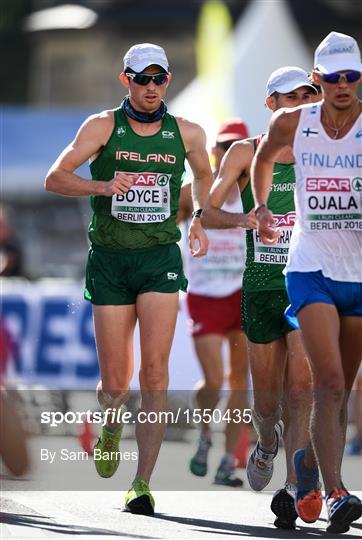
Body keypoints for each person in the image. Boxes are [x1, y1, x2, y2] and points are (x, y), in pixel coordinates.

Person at [45, 42, 213, 515]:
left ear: (168, 81)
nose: (152, 87)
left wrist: (198, 215)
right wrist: (102, 185)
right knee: (115, 381)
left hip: (159, 257)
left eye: (160, 79)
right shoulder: (102, 126)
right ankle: (112, 419)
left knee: (155, 372)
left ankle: (142, 481)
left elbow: (204, 175)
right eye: (143, 79)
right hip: (111, 259)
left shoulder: (189, 132)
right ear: (126, 80)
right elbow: (55, 178)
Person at [251, 31, 362, 534]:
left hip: (357, 272)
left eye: (351, 76)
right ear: (319, 78)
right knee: (328, 381)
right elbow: (262, 157)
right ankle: (337, 493)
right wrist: (260, 207)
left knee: (339, 395)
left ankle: (311, 477)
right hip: (309, 266)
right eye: (333, 77)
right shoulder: (292, 123)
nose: (342, 85)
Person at [202, 67, 318, 529]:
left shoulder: (330, 154)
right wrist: (247, 221)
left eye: (307, 98)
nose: (300, 106)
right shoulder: (245, 152)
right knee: (268, 404)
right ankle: (266, 440)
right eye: (289, 99)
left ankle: (294, 489)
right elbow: (208, 212)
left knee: (301, 391)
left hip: (308, 286)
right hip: (261, 287)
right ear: (270, 105)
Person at [178, 119, 250, 487]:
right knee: (214, 379)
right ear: (214, 152)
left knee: (239, 380)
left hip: (240, 293)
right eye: (223, 147)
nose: (227, 153)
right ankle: (205, 433)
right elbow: (160, 225)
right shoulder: (193, 190)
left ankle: (226, 459)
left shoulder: (255, 190)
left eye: (235, 146)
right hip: (204, 294)